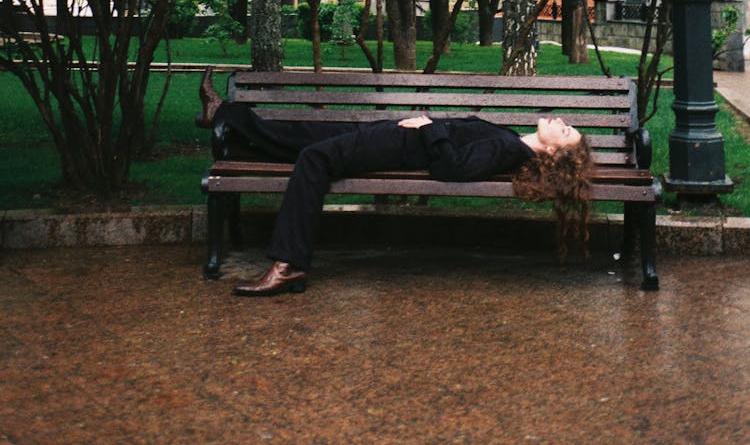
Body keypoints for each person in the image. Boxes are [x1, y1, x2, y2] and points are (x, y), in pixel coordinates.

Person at [198, 70, 594, 298]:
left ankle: (288, 265)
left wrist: (429, 126)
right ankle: (225, 116)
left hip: (394, 146)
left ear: (553, 155)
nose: (562, 122)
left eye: (568, 130)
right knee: (307, 137)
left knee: (313, 159)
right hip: (396, 138)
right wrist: (429, 127)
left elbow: (452, 167)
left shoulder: (510, 152)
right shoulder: (513, 140)